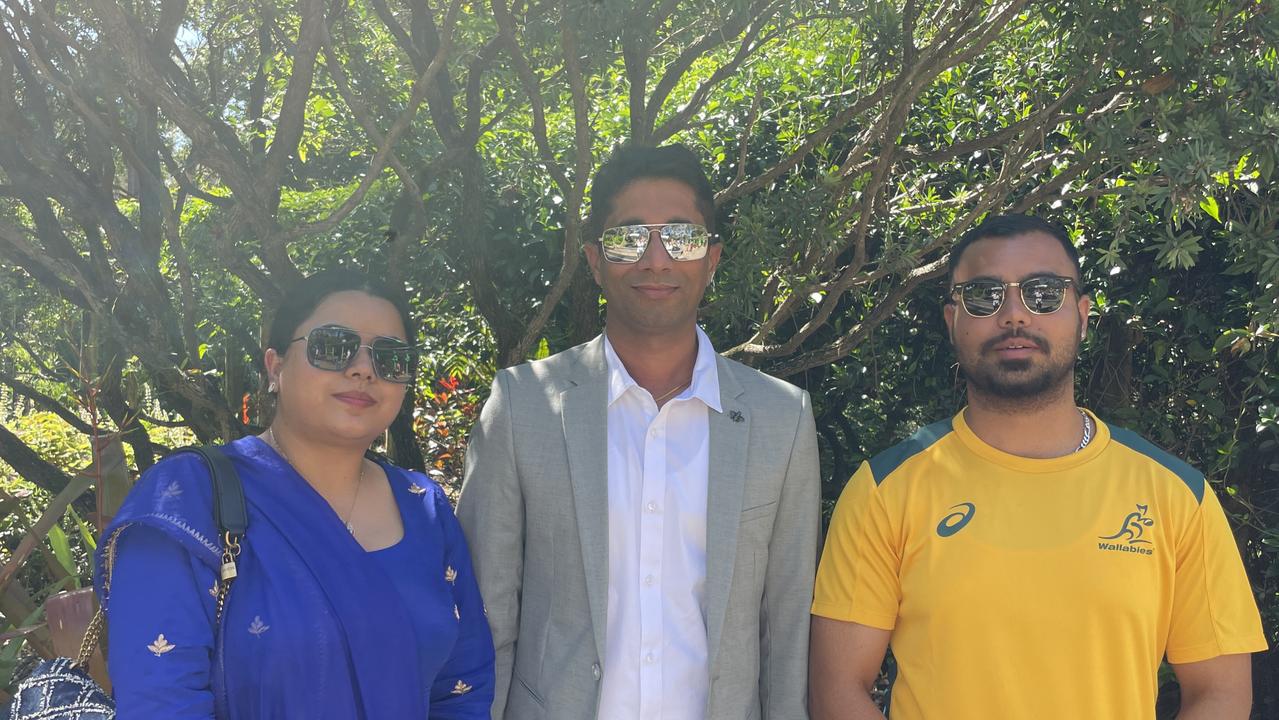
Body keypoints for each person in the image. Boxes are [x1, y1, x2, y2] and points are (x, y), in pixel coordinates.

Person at [809, 214, 1267, 720]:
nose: (1014, 315)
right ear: (951, 320)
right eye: (984, 295)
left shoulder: (1176, 494)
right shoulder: (885, 489)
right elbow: (838, 691)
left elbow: (1220, 692)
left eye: (1043, 292)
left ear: (1083, 314)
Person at [457, 143, 820, 719]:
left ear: (712, 258)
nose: (656, 260)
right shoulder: (523, 406)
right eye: (630, 238)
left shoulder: (783, 419)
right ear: (597, 261)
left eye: (681, 238)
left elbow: (787, 624)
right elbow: (485, 612)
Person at [95, 269, 495, 719]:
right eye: (332, 347)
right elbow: (162, 704)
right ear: (275, 366)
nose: (364, 368)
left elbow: (464, 684)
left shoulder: (424, 505)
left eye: (390, 357)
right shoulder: (189, 502)